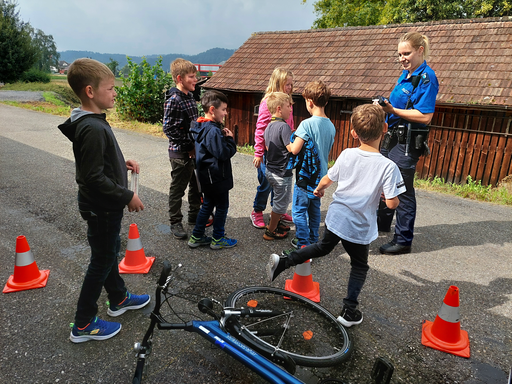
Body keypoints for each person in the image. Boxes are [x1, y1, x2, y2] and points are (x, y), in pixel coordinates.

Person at [267, 104, 406, 327]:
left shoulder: (347, 154)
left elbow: (327, 178)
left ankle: (284, 261)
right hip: (359, 227)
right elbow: (392, 203)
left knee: (323, 247)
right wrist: (388, 197)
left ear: (353, 133)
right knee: (359, 266)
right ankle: (349, 311)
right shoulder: (389, 166)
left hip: (336, 217)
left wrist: (319, 189)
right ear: (385, 129)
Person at [58, 58, 150, 343]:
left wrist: (122, 163)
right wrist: (127, 195)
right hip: (102, 208)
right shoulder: (93, 128)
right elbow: (92, 177)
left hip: (101, 207)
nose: (114, 93)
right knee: (101, 259)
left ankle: (118, 297)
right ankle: (83, 324)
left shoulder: (91, 122)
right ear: (90, 91)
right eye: (110, 88)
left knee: (108, 252)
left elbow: (98, 163)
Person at [376, 32, 439, 255]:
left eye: (407, 53)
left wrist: (392, 110)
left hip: (407, 142)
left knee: (403, 190)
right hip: (392, 137)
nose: (402, 58)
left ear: (420, 51)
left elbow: (425, 115)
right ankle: (382, 224)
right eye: (400, 54)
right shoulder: (406, 74)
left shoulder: (426, 78)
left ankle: (403, 240)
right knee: (385, 181)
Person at [288, 81, 336, 250]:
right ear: (326, 102)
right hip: (321, 176)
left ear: (309, 101)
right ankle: (314, 240)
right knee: (314, 210)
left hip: (305, 176)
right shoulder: (331, 126)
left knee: (299, 210)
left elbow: (295, 150)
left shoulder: (306, 124)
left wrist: (285, 143)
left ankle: (302, 244)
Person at [187, 90, 238, 250]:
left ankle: (196, 236)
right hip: (217, 177)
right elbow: (223, 154)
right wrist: (230, 140)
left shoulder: (201, 126)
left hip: (206, 176)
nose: (225, 113)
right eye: (223, 109)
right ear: (212, 110)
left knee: (207, 205)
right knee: (222, 207)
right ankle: (218, 238)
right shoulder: (213, 131)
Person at [163, 58, 202, 240]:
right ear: (180, 78)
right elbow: (169, 129)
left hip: (193, 151)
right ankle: (175, 221)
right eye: (192, 77)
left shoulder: (189, 97)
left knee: (197, 186)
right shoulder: (174, 100)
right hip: (181, 153)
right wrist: (188, 147)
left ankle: (194, 215)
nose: (196, 80)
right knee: (178, 188)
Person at [251, 67, 295, 229]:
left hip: (282, 153)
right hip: (268, 153)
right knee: (266, 183)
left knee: (280, 184)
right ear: (278, 83)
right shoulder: (267, 102)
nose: (290, 88)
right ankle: (257, 211)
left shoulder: (287, 101)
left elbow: (289, 125)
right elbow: (260, 129)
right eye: (287, 85)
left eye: (291, 85)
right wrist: (258, 153)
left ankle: (277, 211)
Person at [262, 92, 294, 240]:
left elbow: (269, 147)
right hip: (282, 173)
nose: (291, 109)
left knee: (278, 201)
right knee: (281, 204)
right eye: (289, 106)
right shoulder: (284, 127)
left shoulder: (269, 126)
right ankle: (270, 231)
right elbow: (292, 149)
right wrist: (299, 140)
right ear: (279, 109)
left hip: (270, 170)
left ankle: (276, 222)